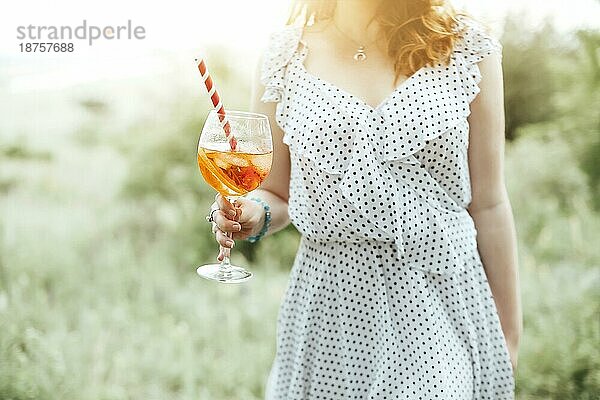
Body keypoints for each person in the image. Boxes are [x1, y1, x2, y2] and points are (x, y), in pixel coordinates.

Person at [208, 0, 522, 398]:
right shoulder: (284, 55)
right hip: (331, 311)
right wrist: (256, 212)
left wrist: (509, 333)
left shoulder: (467, 46)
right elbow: (275, 193)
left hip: (439, 299)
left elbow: (490, 203)